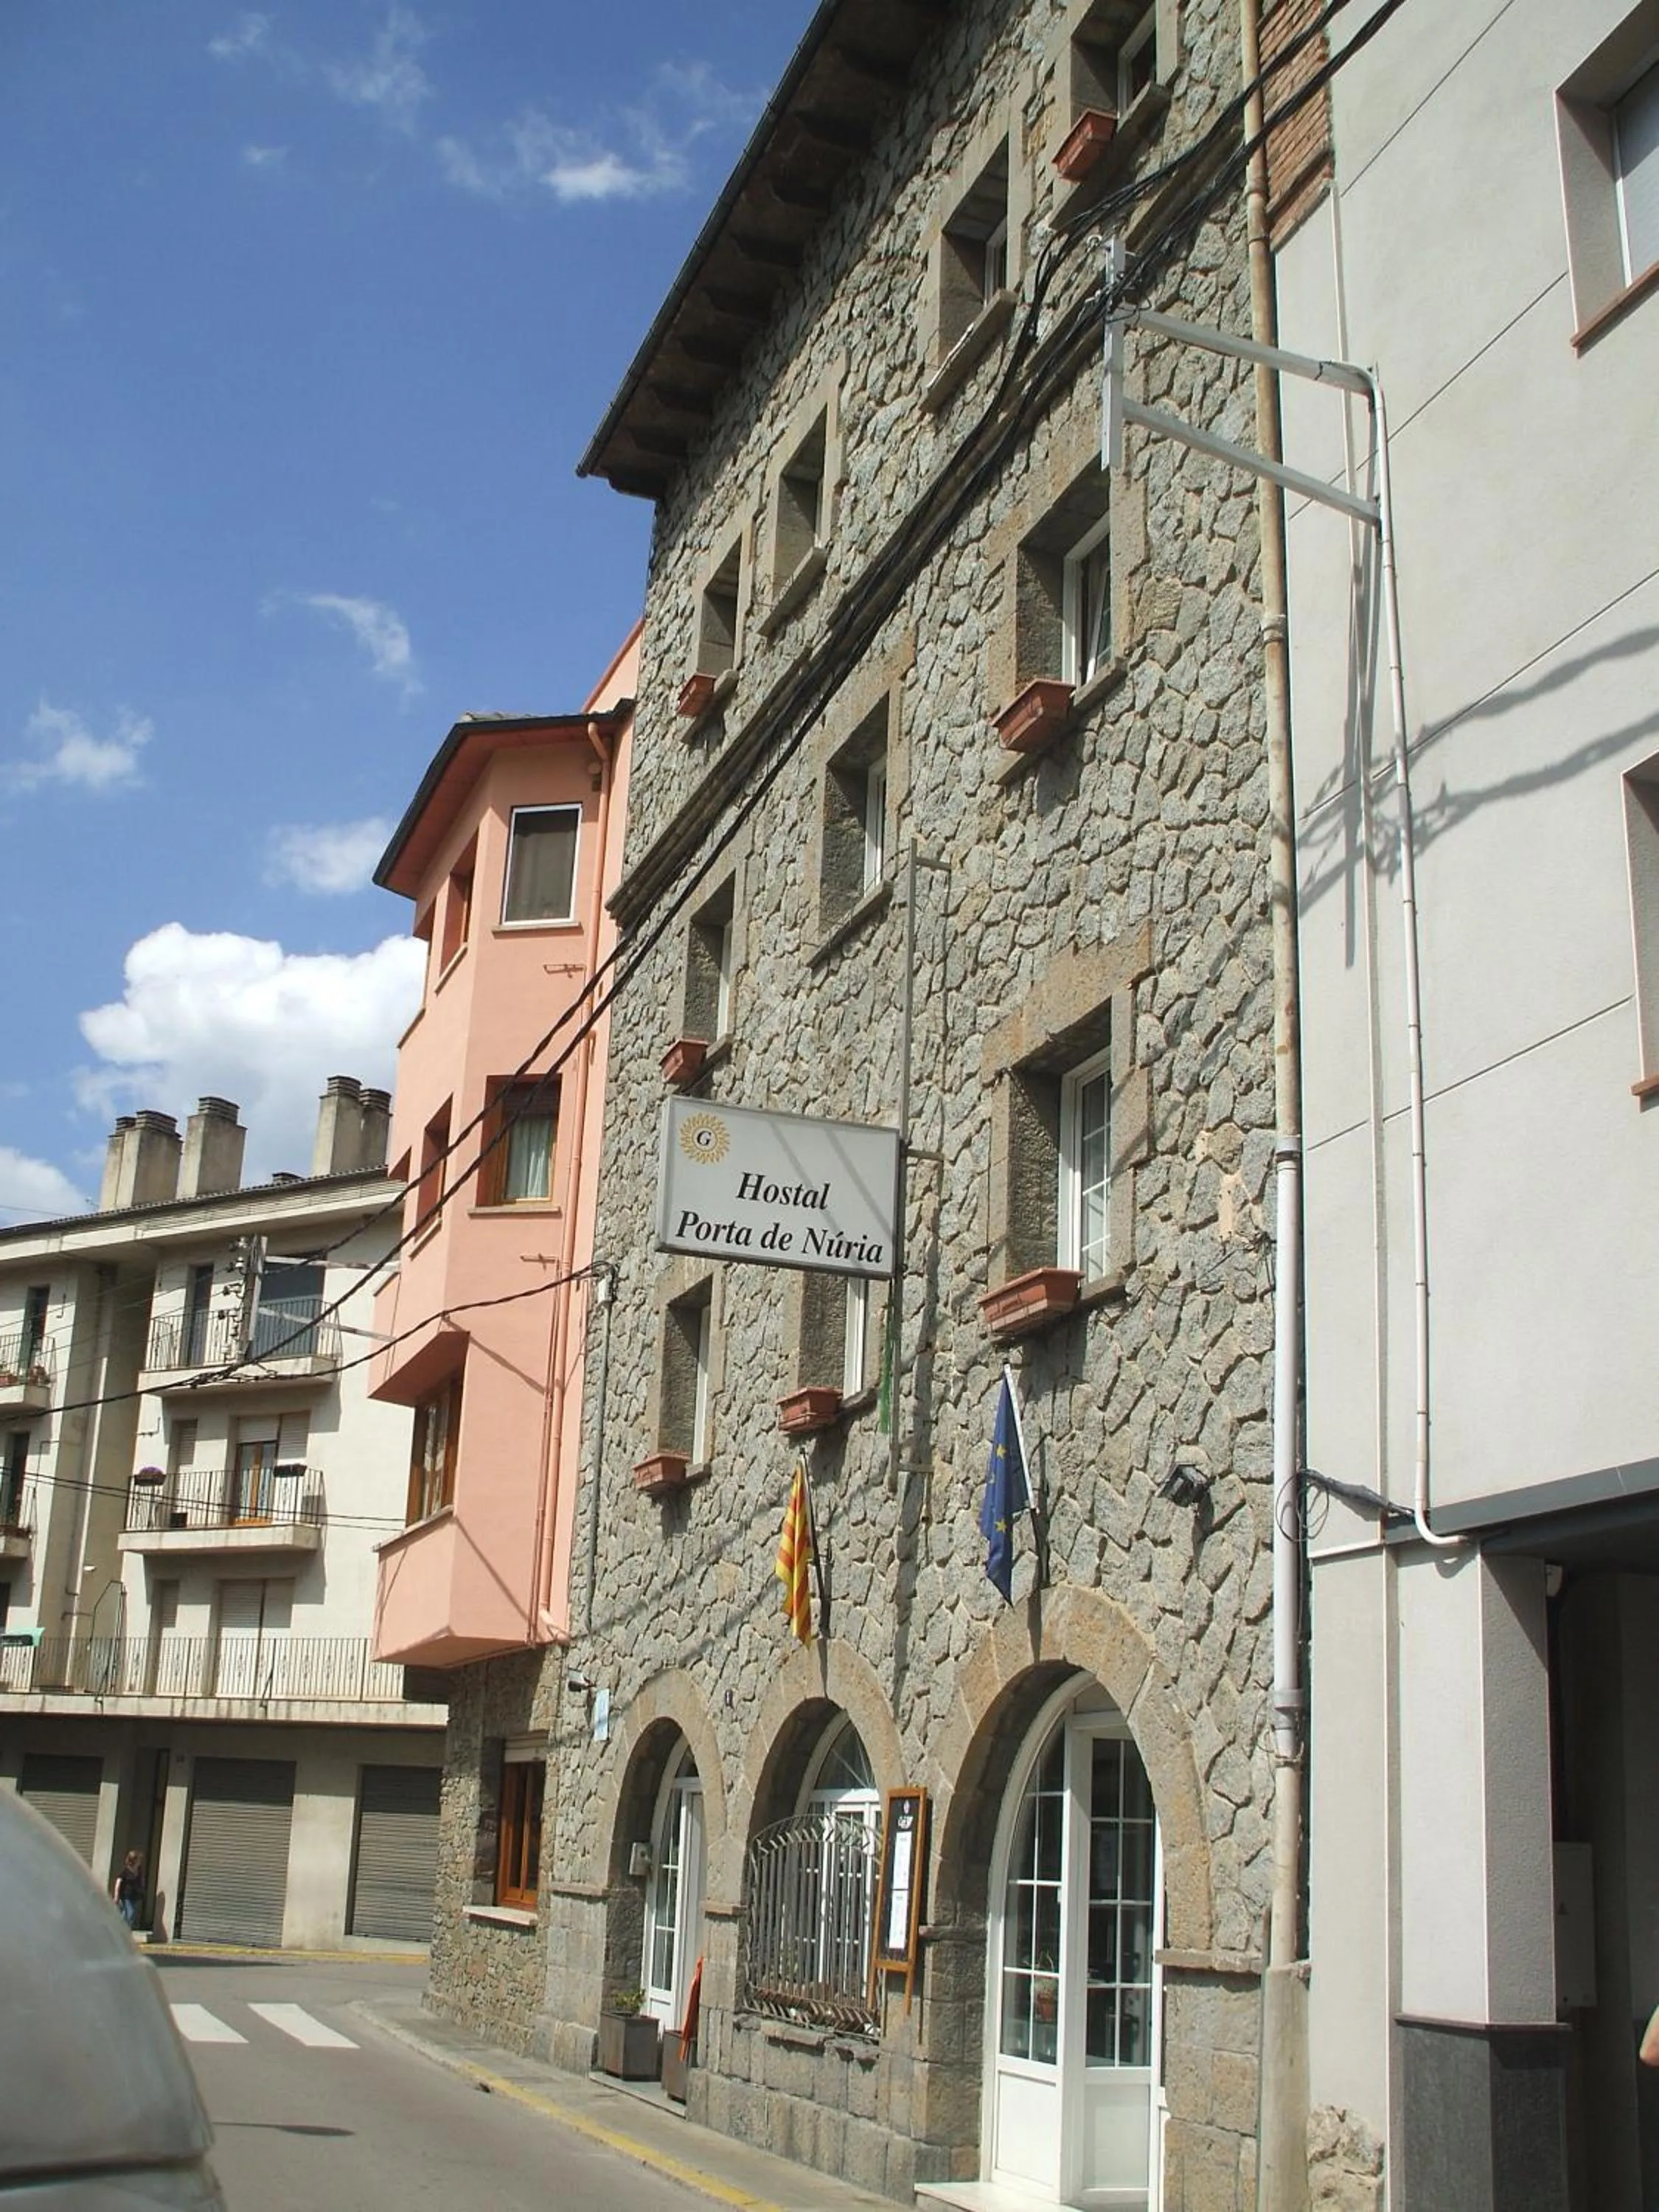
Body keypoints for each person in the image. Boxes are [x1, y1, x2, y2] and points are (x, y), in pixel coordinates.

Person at [113, 1849, 145, 1932]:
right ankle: (124, 1930)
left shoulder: (139, 1870)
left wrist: (141, 1890)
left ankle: (121, 1930)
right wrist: (116, 1896)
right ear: (134, 1860)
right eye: (139, 1860)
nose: (140, 1861)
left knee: (126, 1913)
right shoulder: (126, 1871)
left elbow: (140, 1881)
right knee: (130, 1913)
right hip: (126, 1895)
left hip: (135, 1896)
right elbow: (118, 1882)